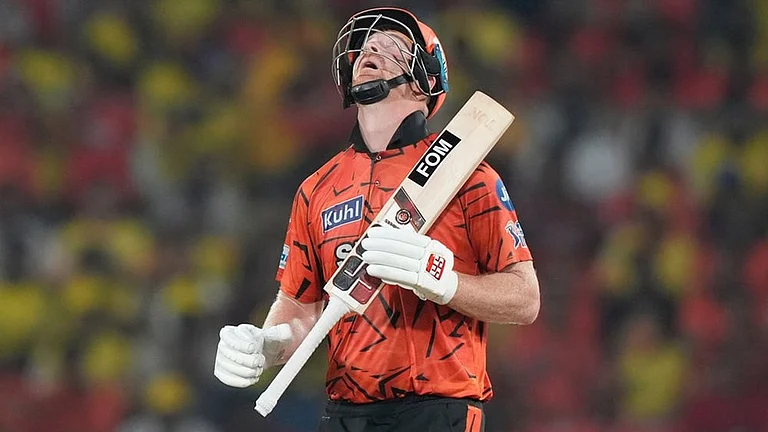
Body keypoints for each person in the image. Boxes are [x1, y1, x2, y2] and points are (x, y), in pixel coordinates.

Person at [214, 7, 540, 431]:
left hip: (438, 410)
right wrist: (266, 342)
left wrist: (443, 281)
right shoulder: (316, 189)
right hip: (343, 413)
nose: (372, 49)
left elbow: (525, 298)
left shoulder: (470, 177)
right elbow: (299, 307)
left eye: (393, 46)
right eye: (367, 46)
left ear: (427, 79)